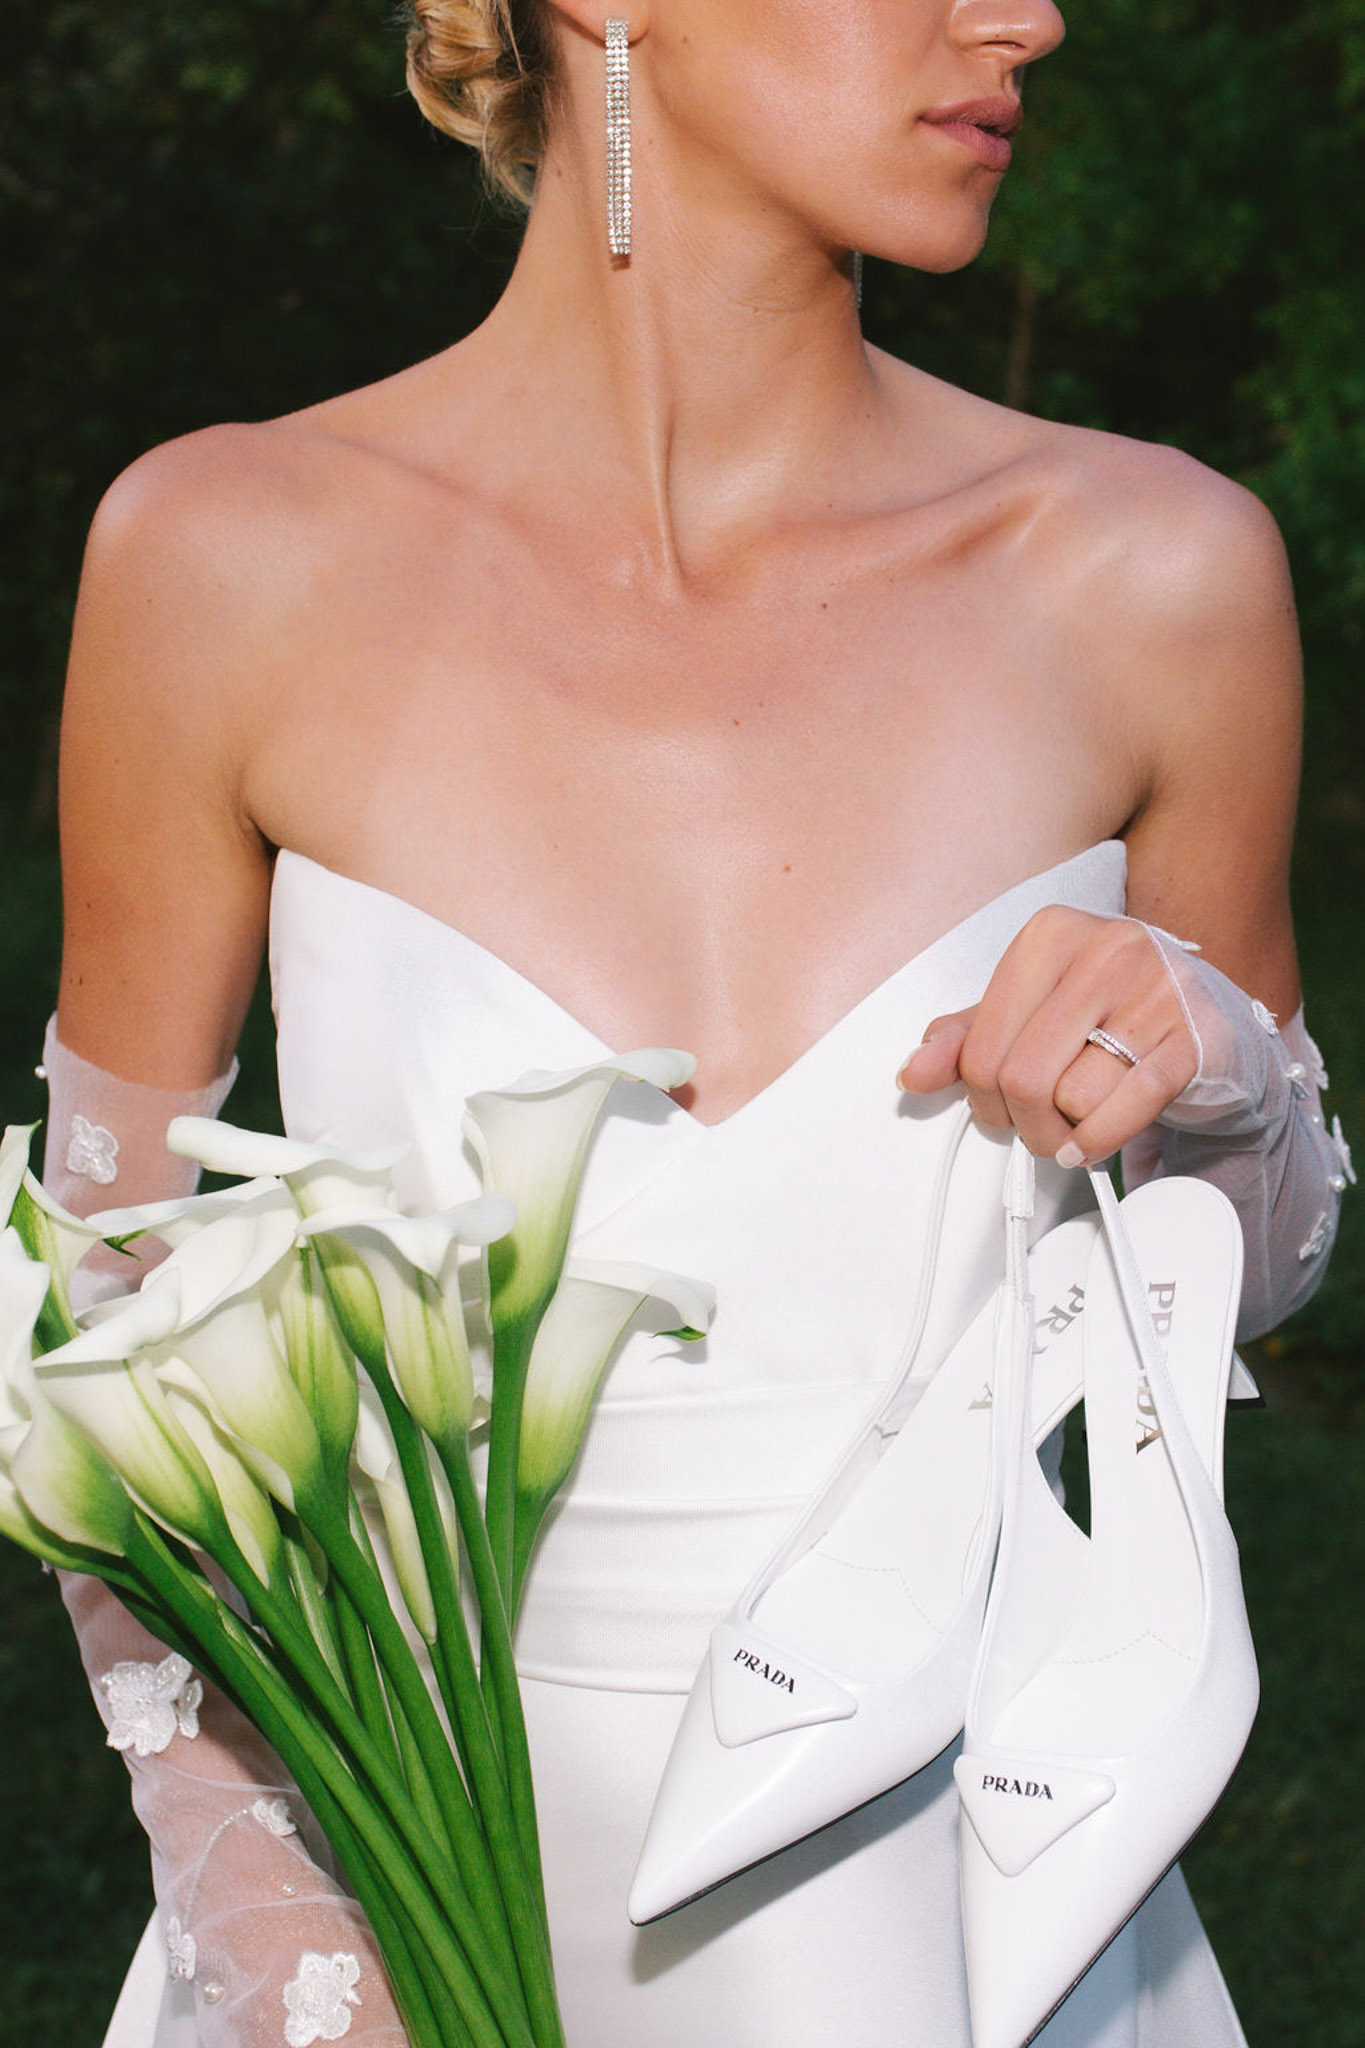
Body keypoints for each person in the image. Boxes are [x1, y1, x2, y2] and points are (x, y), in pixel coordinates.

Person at [40, 2, 1349, 2044]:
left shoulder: (1149, 574)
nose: (1028, 19)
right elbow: (97, 1350)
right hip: (391, 1928)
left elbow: (1248, 1275)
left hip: (973, 1936)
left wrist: (1211, 1055)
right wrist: (296, 1958)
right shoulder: (222, 562)